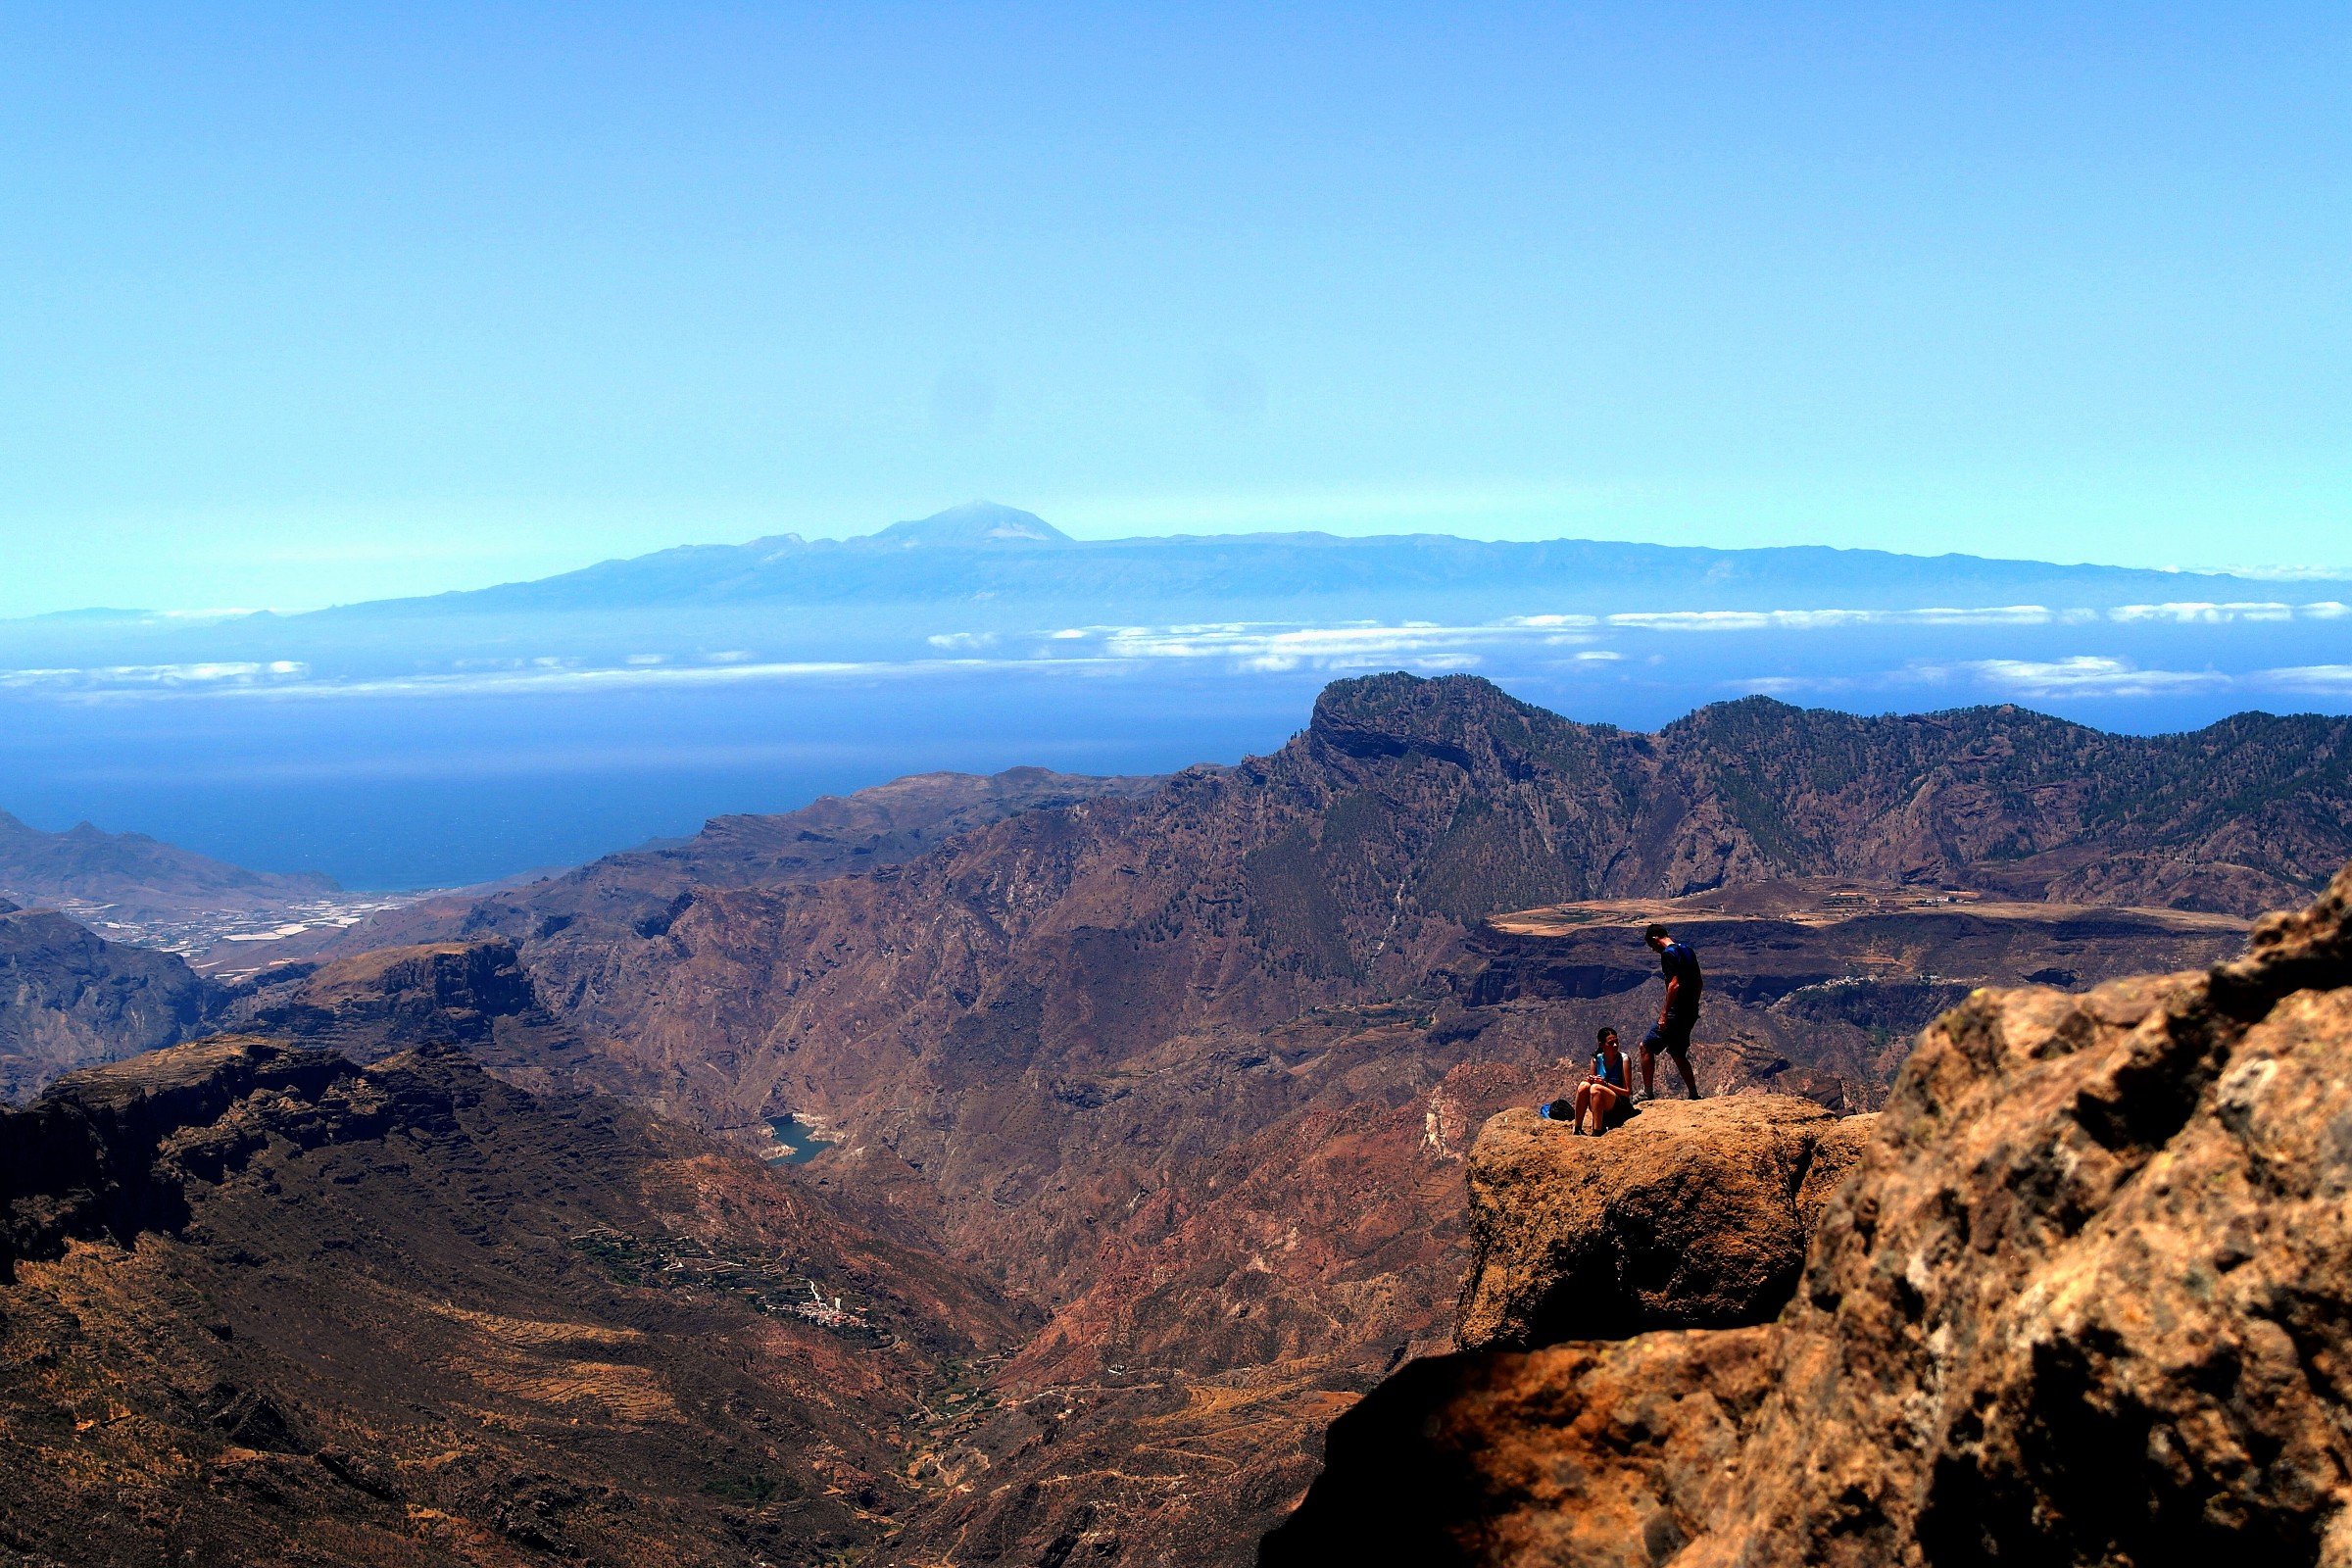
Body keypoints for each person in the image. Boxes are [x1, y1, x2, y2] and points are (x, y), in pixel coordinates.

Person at [1640, 922, 1703, 1101]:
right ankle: (1693, 1093)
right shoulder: (1688, 950)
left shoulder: (1668, 954)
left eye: (1652, 946)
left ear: (1655, 938)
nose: (1653, 950)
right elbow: (1699, 982)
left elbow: (1674, 985)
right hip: (1690, 1010)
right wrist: (1694, 1005)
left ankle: (1647, 1092)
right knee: (1677, 1052)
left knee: (1646, 1047)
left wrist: (1664, 1014)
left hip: (1676, 1011)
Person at [1572, 1027, 1635, 1136]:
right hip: (1599, 1101)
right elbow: (1590, 1084)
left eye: (1616, 1042)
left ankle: (1597, 1130)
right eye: (1611, 1043)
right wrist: (1591, 1080)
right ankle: (1577, 1128)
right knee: (1583, 1086)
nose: (1615, 1045)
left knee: (1596, 1088)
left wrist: (1605, 1084)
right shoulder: (1596, 1060)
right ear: (1602, 1045)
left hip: (1619, 1105)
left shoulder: (1623, 1060)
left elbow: (1627, 1092)